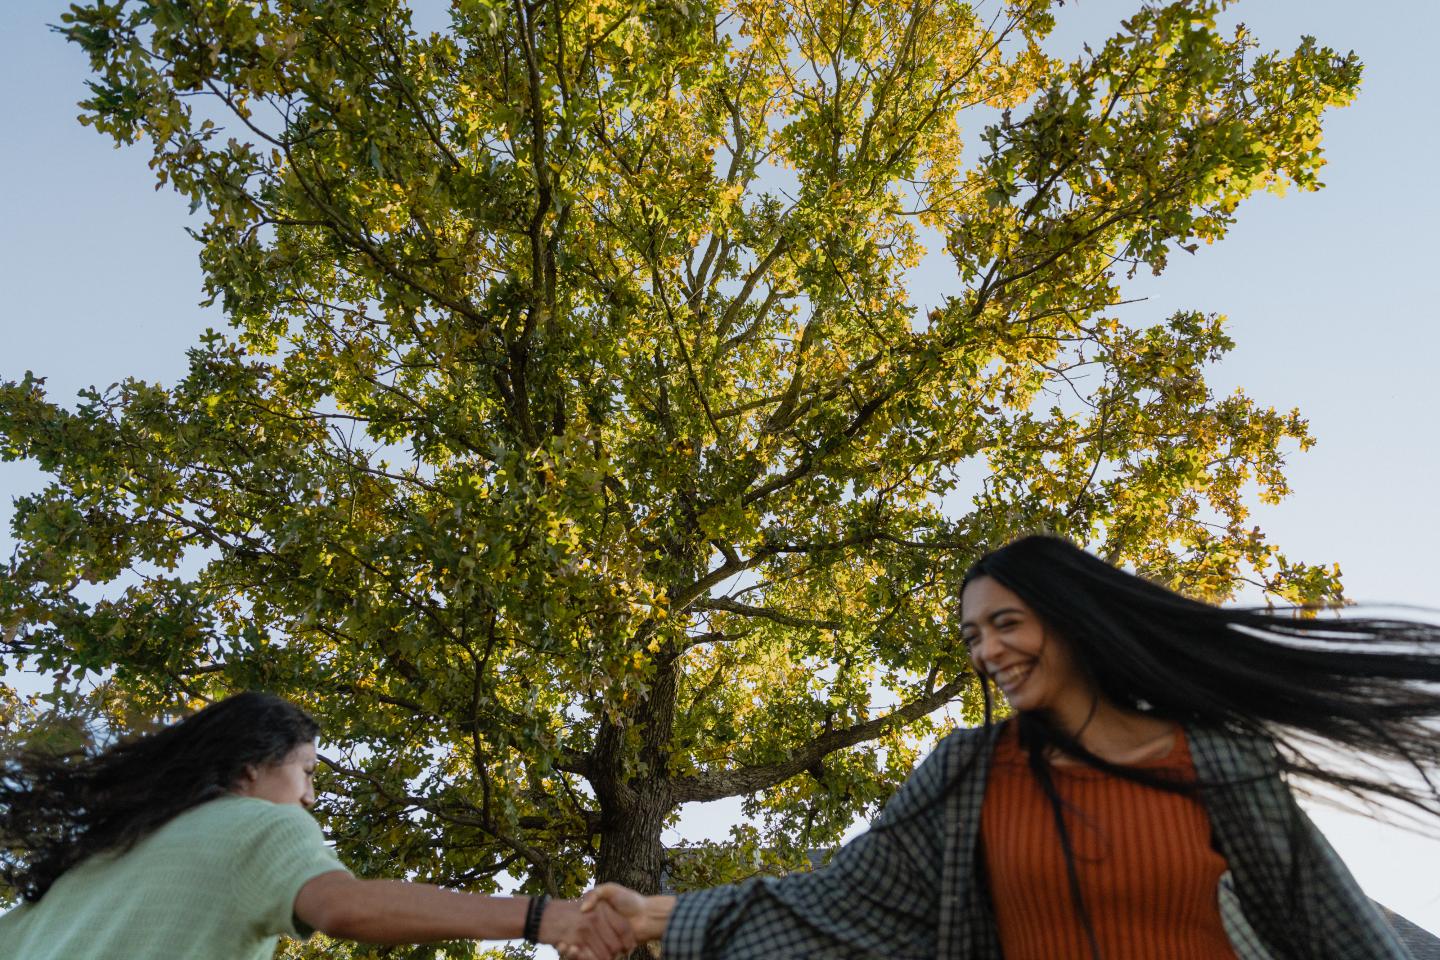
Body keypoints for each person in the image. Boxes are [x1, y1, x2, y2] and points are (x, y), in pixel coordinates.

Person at [582, 534, 1440, 959]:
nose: (987, 652)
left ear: (1068, 620)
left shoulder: (1214, 759)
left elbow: (1327, 922)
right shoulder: (969, 776)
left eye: (1005, 624)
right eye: (971, 638)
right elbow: (840, 903)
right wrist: (662, 915)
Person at [0, 691, 636, 960]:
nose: (307, 796)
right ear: (250, 768)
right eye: (306, 772)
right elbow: (343, 907)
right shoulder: (254, 824)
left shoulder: (92, 860)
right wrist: (542, 917)